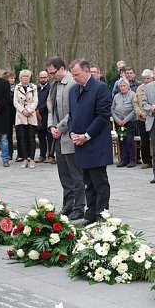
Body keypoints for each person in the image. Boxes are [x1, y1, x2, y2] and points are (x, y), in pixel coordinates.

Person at [68, 59, 113, 223]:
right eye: (73, 75)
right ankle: (91, 213)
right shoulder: (73, 90)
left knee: (99, 182)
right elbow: (72, 115)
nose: (75, 78)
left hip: (96, 143)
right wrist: (72, 132)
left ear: (87, 71)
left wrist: (86, 135)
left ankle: (102, 214)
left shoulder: (100, 88)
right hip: (80, 142)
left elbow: (102, 116)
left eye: (77, 75)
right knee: (87, 181)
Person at [47, 57, 86, 219]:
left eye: (53, 72)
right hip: (57, 136)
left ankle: (79, 206)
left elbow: (73, 112)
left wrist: (60, 127)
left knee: (75, 175)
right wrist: (51, 126)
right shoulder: (55, 84)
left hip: (69, 136)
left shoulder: (72, 84)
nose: (51, 76)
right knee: (64, 174)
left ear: (62, 69)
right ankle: (68, 205)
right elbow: (51, 107)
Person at [13, 69, 38, 168]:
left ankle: (31, 159)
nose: (25, 78)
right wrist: (23, 110)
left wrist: (30, 110)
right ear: (20, 77)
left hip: (31, 114)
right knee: (22, 138)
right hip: (20, 115)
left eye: (27, 76)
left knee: (31, 138)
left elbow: (35, 101)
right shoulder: (17, 87)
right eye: (23, 76)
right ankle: (24, 159)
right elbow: (15, 102)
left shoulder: (33, 87)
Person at [111, 78, 137, 167]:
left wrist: (126, 119)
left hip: (130, 122)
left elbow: (134, 110)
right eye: (121, 86)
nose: (122, 87)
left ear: (128, 86)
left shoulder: (133, 95)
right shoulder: (116, 96)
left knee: (129, 140)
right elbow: (112, 109)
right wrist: (117, 119)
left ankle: (132, 160)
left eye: (124, 85)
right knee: (121, 140)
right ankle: (123, 159)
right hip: (119, 122)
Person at [133, 69, 154, 169]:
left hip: (153, 117)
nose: (146, 80)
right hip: (142, 119)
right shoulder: (139, 88)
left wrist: (149, 113)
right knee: (144, 140)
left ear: (152, 78)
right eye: (144, 78)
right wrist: (140, 113)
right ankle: (147, 161)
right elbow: (135, 103)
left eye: (148, 78)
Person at [35, 70, 55, 163]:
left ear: (47, 77)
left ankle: (51, 155)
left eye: (44, 77)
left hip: (47, 115)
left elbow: (49, 102)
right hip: (38, 116)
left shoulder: (51, 88)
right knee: (41, 136)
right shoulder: (37, 88)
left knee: (49, 136)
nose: (43, 79)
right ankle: (42, 155)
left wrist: (40, 109)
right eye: (41, 77)